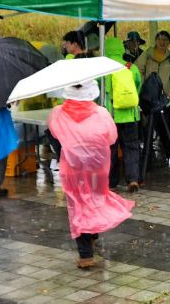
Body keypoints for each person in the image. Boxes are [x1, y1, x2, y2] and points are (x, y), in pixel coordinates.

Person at [48, 81, 135, 269]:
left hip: (73, 166)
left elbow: (54, 135)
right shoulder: (101, 113)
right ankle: (92, 233)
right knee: (95, 197)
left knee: (78, 204)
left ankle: (85, 254)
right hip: (97, 164)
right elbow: (112, 137)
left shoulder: (58, 113)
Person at [104, 39, 143, 192]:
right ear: (121, 49)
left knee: (111, 149)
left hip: (110, 117)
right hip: (130, 115)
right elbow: (137, 88)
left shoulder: (103, 70)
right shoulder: (131, 67)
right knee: (131, 147)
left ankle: (112, 181)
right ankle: (133, 179)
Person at [136, 30, 170, 164]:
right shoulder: (147, 54)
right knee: (148, 127)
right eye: (160, 39)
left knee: (164, 127)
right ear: (155, 41)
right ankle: (148, 155)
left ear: (169, 43)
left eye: (165, 40)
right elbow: (137, 69)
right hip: (148, 97)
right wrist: (142, 86)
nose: (162, 42)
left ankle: (167, 153)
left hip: (163, 98)